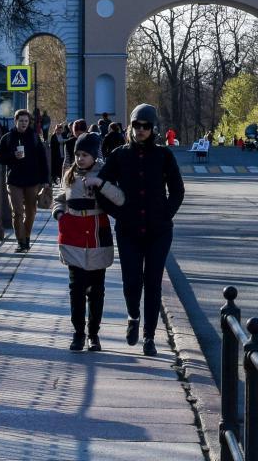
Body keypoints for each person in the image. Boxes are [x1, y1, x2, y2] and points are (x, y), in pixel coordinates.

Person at [98, 103, 185, 356]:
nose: (140, 130)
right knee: (131, 282)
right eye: (136, 125)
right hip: (128, 230)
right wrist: (117, 213)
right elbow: (102, 186)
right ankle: (133, 316)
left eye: (146, 126)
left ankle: (149, 337)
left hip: (159, 232)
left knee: (153, 282)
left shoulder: (164, 156)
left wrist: (165, 215)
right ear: (130, 127)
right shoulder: (119, 155)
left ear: (153, 128)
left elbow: (178, 191)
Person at [54, 133, 112, 351]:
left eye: (85, 154)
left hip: (97, 234)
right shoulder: (69, 175)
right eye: (77, 154)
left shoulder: (104, 173)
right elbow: (60, 197)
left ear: (94, 156)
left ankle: (93, 334)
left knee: (96, 289)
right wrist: (59, 214)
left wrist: (101, 184)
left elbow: (119, 197)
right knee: (76, 288)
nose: (80, 159)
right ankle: (78, 333)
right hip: (73, 235)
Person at [0, 108, 52, 252]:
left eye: (26, 121)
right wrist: (13, 156)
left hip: (32, 180)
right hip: (14, 180)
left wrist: (46, 179)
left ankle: (26, 237)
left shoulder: (34, 137)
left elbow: (42, 160)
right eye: (21, 121)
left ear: (29, 122)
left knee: (31, 212)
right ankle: (21, 242)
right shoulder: (8, 138)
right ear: (15, 121)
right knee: (17, 213)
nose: (23, 123)